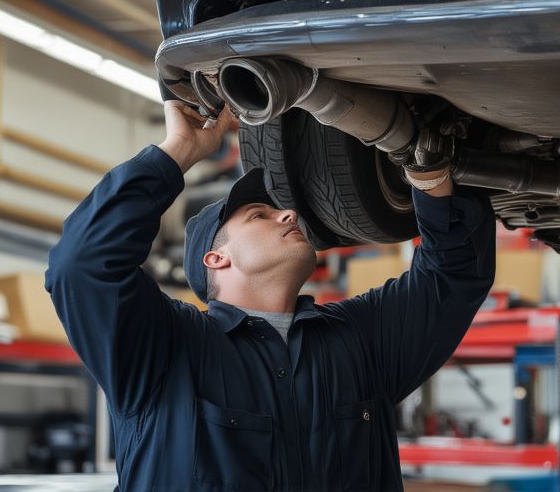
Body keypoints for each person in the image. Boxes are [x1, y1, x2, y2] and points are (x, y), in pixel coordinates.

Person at [45, 99, 496, 491]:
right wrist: (179, 151)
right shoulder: (163, 349)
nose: (289, 214)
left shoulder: (358, 342)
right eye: (260, 214)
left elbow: (452, 276)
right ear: (215, 259)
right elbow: (82, 264)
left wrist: (430, 170)